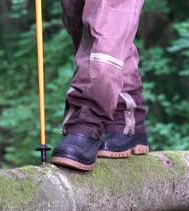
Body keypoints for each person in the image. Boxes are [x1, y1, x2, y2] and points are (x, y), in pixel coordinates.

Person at [51, 0, 149, 171]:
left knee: (107, 17)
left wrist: (85, 123)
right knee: (79, 16)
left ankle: (87, 122)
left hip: (87, 119)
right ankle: (125, 117)